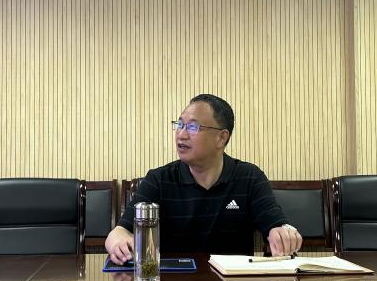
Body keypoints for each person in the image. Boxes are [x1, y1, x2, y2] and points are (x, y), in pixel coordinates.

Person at [105, 94, 302, 264]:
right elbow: (119, 232)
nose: (181, 135)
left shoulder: (250, 177)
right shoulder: (158, 180)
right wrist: (119, 241)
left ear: (221, 138)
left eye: (192, 127)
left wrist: (283, 233)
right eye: (179, 125)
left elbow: (276, 225)